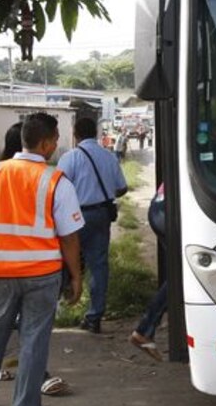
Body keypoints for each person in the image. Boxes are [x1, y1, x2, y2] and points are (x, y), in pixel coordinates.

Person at [0, 112, 84, 406]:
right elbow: (69, 236)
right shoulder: (54, 180)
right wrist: (76, 276)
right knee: (33, 340)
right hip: (41, 274)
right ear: (43, 144)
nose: (57, 146)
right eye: (55, 140)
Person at [58, 117, 128, 334]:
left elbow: (57, 188)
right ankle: (94, 316)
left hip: (75, 216)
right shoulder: (108, 156)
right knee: (98, 266)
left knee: (65, 261)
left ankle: (59, 307)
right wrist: (103, 192)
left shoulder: (70, 157)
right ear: (96, 133)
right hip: (101, 215)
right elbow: (122, 188)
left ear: (75, 133)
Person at [129, 184, 167, 361]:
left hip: (161, 209)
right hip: (166, 211)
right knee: (181, 276)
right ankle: (143, 331)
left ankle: (145, 330)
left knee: (180, 275)